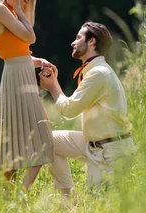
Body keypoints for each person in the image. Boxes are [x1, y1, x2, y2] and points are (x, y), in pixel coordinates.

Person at [0, 0, 70, 191]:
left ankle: (21, 192)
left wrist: (38, 60)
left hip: (22, 72)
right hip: (15, 77)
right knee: (14, 141)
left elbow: (19, 52)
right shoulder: (0, 10)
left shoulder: (12, 13)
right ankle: (13, 195)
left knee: (42, 137)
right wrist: (18, 9)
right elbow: (30, 37)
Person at [39, 22, 136, 191]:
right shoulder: (95, 70)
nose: (73, 42)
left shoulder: (98, 73)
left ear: (91, 42)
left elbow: (69, 110)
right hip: (95, 143)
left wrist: (53, 86)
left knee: (101, 205)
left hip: (111, 151)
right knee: (49, 140)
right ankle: (69, 200)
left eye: (78, 38)